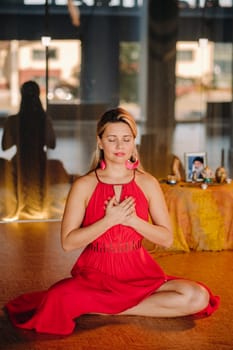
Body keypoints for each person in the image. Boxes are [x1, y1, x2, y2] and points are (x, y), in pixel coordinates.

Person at [5, 107, 220, 335]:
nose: (120, 146)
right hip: (96, 276)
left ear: (133, 143)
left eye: (126, 139)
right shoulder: (84, 185)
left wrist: (133, 221)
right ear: (100, 142)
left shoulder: (147, 183)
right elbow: (68, 242)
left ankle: (110, 309)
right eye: (112, 139)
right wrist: (109, 220)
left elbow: (166, 238)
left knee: (198, 296)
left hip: (139, 273)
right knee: (57, 299)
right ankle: (104, 302)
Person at [1, 80, 56, 218]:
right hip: (39, 160)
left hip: (21, 159)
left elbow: (5, 146)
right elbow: (52, 144)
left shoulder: (14, 120)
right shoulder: (44, 119)